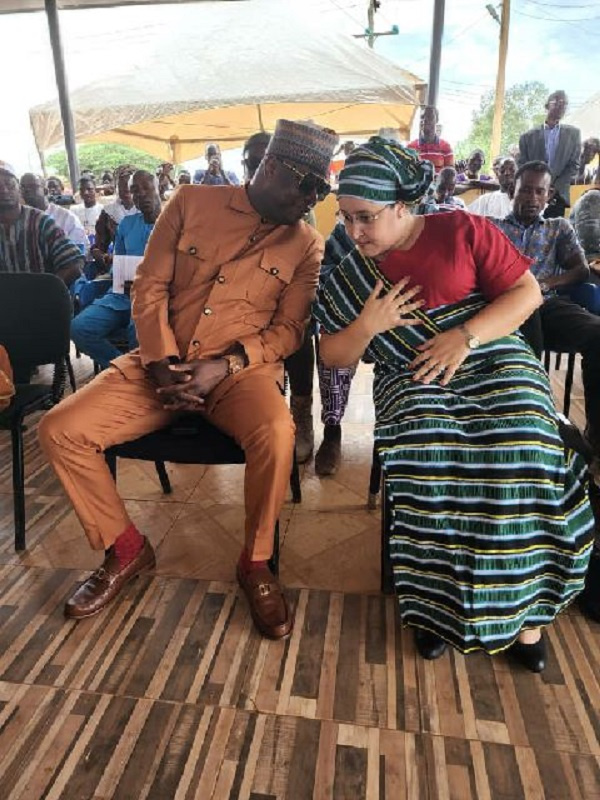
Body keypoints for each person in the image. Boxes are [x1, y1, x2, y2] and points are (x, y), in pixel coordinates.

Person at [39, 120, 338, 642]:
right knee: (60, 428)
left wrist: (226, 365)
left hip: (237, 375)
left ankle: (257, 562)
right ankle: (126, 548)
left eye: (321, 189)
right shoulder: (191, 202)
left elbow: (290, 330)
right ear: (269, 168)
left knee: (277, 432)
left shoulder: (308, 244)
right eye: (305, 184)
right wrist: (159, 363)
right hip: (157, 362)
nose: (313, 198)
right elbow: (149, 286)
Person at [313, 137, 594, 670]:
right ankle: (437, 611)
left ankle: (529, 617)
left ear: (402, 205)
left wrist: (462, 337)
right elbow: (332, 356)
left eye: (365, 218)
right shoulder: (352, 265)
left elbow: (526, 294)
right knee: (430, 457)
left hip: (489, 357)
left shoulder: (464, 230)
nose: (353, 232)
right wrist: (369, 325)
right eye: (346, 218)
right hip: (411, 375)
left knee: (527, 446)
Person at [492, 161, 600, 462]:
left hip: (548, 302)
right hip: (504, 308)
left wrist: (542, 284)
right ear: (512, 190)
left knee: (598, 334)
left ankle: (596, 439)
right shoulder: (494, 228)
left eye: (539, 191)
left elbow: (580, 271)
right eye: (525, 190)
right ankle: (533, 424)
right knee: (527, 339)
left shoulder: (558, 228)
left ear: (549, 195)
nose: (532, 198)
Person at [71, 170, 161, 368]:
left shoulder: (175, 223)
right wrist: (119, 275)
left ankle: (137, 378)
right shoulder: (127, 225)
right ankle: (126, 371)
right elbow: (119, 264)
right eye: (135, 190)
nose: (141, 194)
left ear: (159, 189)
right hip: (123, 293)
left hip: (157, 298)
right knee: (79, 328)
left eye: (147, 188)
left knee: (138, 331)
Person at [0, 160, 83, 283]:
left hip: (43, 299)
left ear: (19, 188)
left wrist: (46, 291)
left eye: (9, 184)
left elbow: (74, 264)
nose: (4, 190)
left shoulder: (41, 222)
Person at [518, 90, 580, 217]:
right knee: (530, 232)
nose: (562, 106)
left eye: (565, 103)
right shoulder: (527, 137)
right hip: (532, 195)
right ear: (547, 106)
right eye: (558, 102)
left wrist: (552, 188)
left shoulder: (573, 134)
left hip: (558, 196)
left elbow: (573, 165)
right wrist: (539, 186)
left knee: (553, 234)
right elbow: (522, 166)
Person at [19, 172, 88, 253]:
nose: (27, 190)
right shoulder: (20, 219)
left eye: (32, 186)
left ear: (45, 191)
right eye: (23, 187)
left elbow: (80, 249)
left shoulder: (66, 217)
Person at [71, 176, 104, 245]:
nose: (86, 192)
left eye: (89, 189)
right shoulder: (74, 210)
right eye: (82, 190)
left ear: (95, 190)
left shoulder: (103, 210)